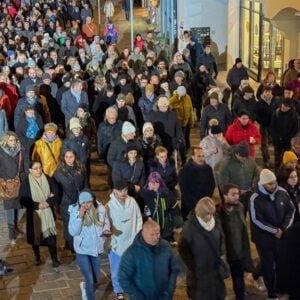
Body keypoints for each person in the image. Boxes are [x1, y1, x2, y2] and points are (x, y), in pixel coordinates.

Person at [249, 169, 295, 300]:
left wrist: (283, 228)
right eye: (270, 184)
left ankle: (280, 288)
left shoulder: (282, 192)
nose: (274, 186)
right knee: (268, 265)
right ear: (263, 184)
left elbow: (290, 210)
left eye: (274, 183)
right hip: (264, 239)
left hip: (281, 237)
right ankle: (271, 293)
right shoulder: (255, 198)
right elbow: (256, 220)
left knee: (282, 263)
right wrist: (275, 231)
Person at [178, 197, 226, 300]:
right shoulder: (189, 229)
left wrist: (221, 254)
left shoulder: (216, 221)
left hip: (215, 271)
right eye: (207, 214)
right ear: (200, 213)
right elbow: (183, 249)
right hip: (200, 276)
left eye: (211, 214)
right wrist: (194, 267)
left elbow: (221, 237)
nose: (210, 217)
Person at [118, 220, 179, 300]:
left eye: (158, 233)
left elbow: (174, 269)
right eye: (152, 234)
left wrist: (169, 291)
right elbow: (123, 277)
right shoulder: (131, 253)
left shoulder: (166, 247)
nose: (156, 237)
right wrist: (136, 296)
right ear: (143, 233)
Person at [68, 190, 110, 300]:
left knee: (96, 278)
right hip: (82, 249)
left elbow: (106, 222)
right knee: (90, 279)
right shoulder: (74, 210)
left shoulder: (100, 208)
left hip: (96, 248)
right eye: (83, 202)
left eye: (88, 202)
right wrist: (80, 217)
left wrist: (106, 231)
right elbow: (73, 232)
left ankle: (85, 286)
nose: (86, 205)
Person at [19, 160, 60, 269]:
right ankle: (37, 256)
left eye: (40, 168)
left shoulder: (48, 179)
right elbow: (23, 199)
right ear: (30, 170)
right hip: (34, 215)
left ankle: (54, 258)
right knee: (35, 238)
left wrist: (48, 202)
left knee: (51, 237)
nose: (39, 170)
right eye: (36, 168)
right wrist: (37, 205)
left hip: (48, 213)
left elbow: (56, 193)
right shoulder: (26, 183)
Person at [106, 180, 143, 300]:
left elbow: (138, 218)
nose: (123, 192)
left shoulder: (132, 201)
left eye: (125, 190)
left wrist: (137, 236)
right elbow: (107, 226)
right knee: (116, 269)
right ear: (114, 191)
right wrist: (113, 243)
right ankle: (118, 289)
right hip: (117, 244)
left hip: (131, 242)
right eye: (120, 190)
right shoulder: (109, 206)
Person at [218, 183, 253, 300]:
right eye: (233, 194)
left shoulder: (240, 208)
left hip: (239, 252)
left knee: (239, 279)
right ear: (224, 196)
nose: (237, 196)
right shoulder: (218, 213)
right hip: (226, 253)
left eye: (237, 193)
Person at [53, 150, 88, 253]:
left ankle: (77, 244)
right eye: (66, 157)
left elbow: (85, 184)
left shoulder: (81, 169)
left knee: (80, 222)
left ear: (75, 157)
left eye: (71, 157)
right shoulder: (58, 172)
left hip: (80, 201)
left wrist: (86, 197)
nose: (68, 159)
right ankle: (71, 246)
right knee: (68, 224)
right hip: (65, 203)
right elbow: (55, 189)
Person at [141, 172, 183, 241]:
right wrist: (146, 218)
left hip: (166, 226)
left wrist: (179, 224)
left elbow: (175, 208)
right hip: (151, 226)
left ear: (160, 183)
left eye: (157, 182)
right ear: (148, 183)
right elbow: (140, 210)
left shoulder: (167, 194)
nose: (154, 185)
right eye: (152, 182)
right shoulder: (143, 195)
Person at [0, 131, 25, 244]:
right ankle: (11, 229)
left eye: (14, 140)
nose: (13, 142)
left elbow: (23, 165)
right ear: (6, 141)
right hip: (7, 183)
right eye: (11, 140)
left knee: (15, 204)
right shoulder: (1, 152)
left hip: (18, 181)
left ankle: (15, 227)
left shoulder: (20, 150)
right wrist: (3, 180)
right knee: (9, 206)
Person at [178, 147, 215, 219]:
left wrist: (205, 200)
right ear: (192, 157)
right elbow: (185, 190)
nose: (201, 158)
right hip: (190, 206)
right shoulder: (184, 171)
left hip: (205, 204)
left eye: (203, 156)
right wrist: (196, 204)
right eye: (199, 156)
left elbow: (211, 185)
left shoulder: (208, 169)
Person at [270, 98, 299, 171]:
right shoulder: (276, 113)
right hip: (277, 140)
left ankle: (284, 174)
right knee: (277, 159)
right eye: (283, 105)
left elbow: (295, 129)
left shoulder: (293, 115)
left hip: (287, 142)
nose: (283, 107)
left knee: (286, 159)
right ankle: (277, 173)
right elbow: (272, 127)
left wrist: (288, 138)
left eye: (285, 106)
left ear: (289, 107)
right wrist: (276, 137)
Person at [254, 86, 279, 168]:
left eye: (269, 91)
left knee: (275, 142)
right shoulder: (259, 103)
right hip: (264, 126)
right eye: (266, 91)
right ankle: (266, 159)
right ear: (263, 92)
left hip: (273, 126)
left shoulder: (275, 101)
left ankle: (277, 160)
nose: (268, 93)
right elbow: (257, 115)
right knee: (264, 143)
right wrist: (262, 122)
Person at [169, 85, 195, 150]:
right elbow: (168, 104)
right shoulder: (174, 98)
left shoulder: (188, 97)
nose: (183, 95)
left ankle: (188, 148)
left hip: (187, 121)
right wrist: (177, 99)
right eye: (182, 94)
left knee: (187, 136)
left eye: (184, 93)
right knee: (181, 137)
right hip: (179, 122)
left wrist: (192, 120)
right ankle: (181, 150)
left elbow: (191, 109)